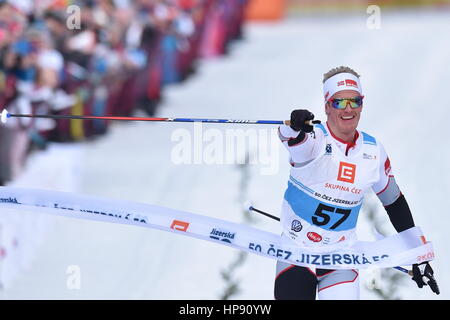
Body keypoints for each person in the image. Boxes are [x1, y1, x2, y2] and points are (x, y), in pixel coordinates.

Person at [274, 66, 439, 300]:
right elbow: (291, 137)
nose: (349, 109)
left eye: (355, 101)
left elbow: (394, 202)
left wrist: (418, 254)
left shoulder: (373, 151)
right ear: (327, 106)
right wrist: (294, 124)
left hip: (341, 257)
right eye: (339, 103)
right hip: (296, 253)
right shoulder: (314, 139)